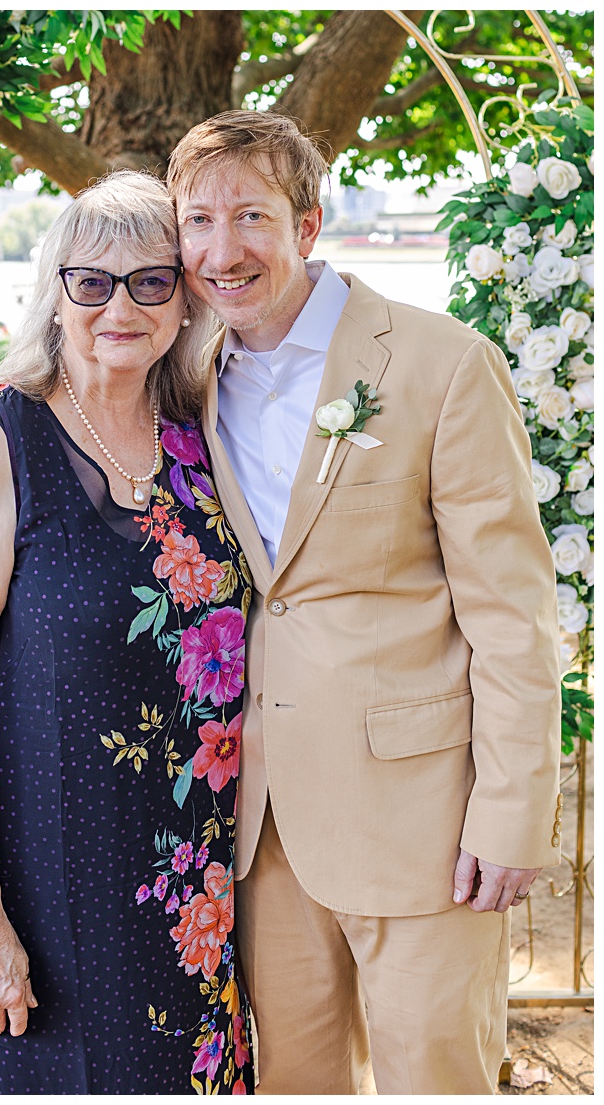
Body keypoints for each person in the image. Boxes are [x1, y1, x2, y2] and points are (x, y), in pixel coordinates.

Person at [168, 110, 563, 1094]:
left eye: (250, 217)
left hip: (423, 826)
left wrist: (511, 814)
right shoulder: (191, 376)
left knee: (437, 1080)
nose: (223, 251)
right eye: (198, 222)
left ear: (305, 225)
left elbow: (512, 614)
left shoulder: (440, 364)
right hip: (259, 827)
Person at [0, 170, 253, 1094]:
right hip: (36, 882)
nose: (119, 304)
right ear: (55, 294)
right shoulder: (0, 441)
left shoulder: (201, 441)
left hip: (189, 892)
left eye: (150, 280)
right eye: (91, 281)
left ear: (184, 298)